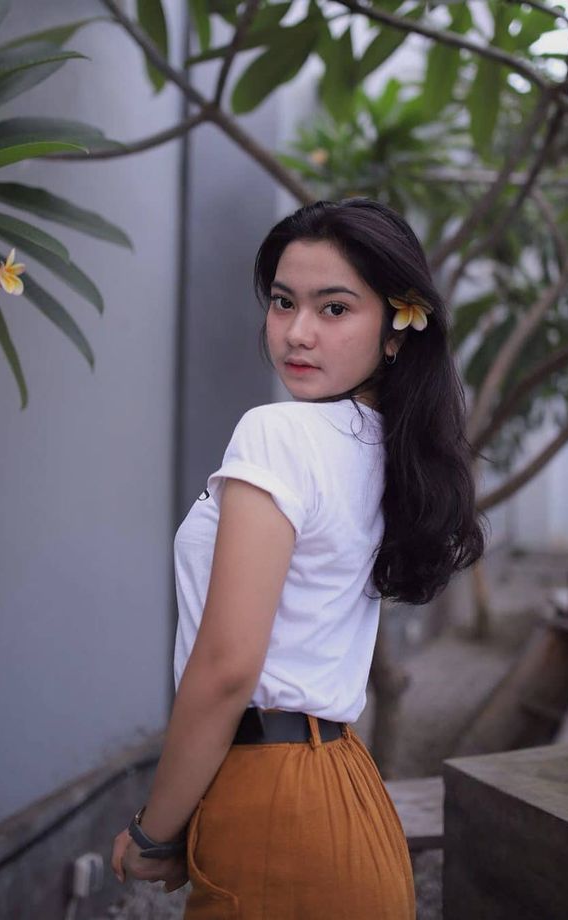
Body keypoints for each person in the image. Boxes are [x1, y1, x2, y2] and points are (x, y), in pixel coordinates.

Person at [111, 198, 487, 918]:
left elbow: (226, 669)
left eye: (335, 308)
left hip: (277, 807)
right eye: (284, 303)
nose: (297, 332)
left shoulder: (278, 435)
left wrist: (153, 830)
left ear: (396, 332)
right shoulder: (387, 451)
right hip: (348, 795)